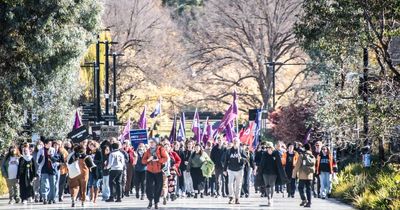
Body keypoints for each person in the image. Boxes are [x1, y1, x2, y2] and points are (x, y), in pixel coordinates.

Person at [142, 138, 168, 209]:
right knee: (149, 187)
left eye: (153, 142)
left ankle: (156, 202)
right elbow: (143, 161)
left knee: (158, 187)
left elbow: (166, 158)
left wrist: (158, 160)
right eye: (150, 142)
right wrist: (148, 159)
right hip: (149, 171)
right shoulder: (147, 151)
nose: (151, 144)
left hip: (158, 171)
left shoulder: (160, 149)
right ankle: (150, 200)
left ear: (156, 143)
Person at [259, 141, 288, 206]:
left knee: (272, 185)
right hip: (265, 173)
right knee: (267, 185)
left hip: (273, 173)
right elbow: (262, 163)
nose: (268, 149)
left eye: (270, 147)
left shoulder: (276, 153)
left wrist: (281, 171)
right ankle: (268, 198)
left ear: (272, 148)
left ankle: (271, 198)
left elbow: (279, 164)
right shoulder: (264, 154)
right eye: (267, 147)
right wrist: (259, 171)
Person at [223, 138, 247, 204]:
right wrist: (224, 170)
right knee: (230, 184)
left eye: (236, 141)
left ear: (239, 143)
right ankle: (231, 197)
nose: (235, 142)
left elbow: (246, 160)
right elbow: (226, 161)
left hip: (239, 169)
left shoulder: (241, 150)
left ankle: (237, 198)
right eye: (234, 141)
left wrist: (241, 158)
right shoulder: (229, 151)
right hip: (231, 169)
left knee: (238, 185)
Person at [292, 143, 316, 208]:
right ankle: (309, 202)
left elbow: (297, 166)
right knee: (308, 189)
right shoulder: (312, 156)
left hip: (302, 175)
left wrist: (293, 175)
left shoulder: (301, 155)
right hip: (310, 175)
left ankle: (304, 199)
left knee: (300, 188)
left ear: (304, 148)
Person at [37, 138, 60, 204]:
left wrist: (51, 157)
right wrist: (42, 156)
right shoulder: (41, 150)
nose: (50, 145)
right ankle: (45, 198)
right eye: (49, 143)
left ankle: (52, 198)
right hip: (44, 169)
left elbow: (57, 158)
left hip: (52, 169)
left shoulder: (53, 150)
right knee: (44, 184)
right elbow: (38, 161)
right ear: (45, 144)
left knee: (53, 184)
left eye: (51, 144)